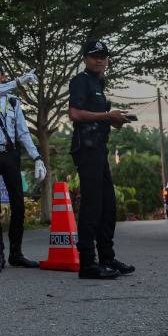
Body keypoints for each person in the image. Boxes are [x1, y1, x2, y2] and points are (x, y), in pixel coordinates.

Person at [68, 39, 135, 279]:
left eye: (104, 56)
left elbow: (97, 118)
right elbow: (74, 114)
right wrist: (107, 114)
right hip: (85, 149)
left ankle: (107, 257)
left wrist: (113, 120)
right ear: (85, 58)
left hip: (99, 148)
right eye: (95, 55)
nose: (100, 59)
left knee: (108, 205)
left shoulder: (99, 83)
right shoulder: (80, 81)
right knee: (92, 205)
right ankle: (87, 263)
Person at [0, 60, 47, 270]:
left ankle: (16, 253)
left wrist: (37, 158)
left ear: (2, 76)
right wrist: (18, 81)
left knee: (19, 205)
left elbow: (23, 133)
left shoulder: (14, 103)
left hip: (10, 155)